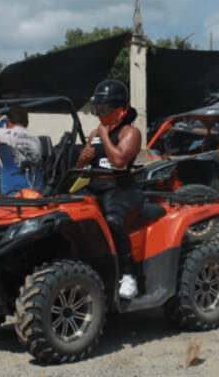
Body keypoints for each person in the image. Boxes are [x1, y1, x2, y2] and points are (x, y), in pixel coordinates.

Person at [76, 79, 143, 300]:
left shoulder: (130, 133)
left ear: (121, 110)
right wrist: (83, 159)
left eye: (104, 109)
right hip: (96, 186)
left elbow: (119, 161)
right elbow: (82, 169)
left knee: (113, 219)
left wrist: (103, 135)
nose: (100, 115)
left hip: (121, 188)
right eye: (97, 109)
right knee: (67, 212)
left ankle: (128, 274)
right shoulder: (94, 133)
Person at [0, 105, 43, 194]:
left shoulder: (2, 133)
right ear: (27, 123)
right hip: (37, 190)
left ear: (8, 121)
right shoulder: (36, 139)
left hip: (13, 193)